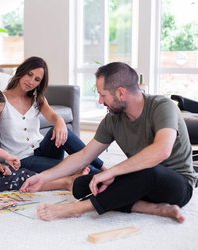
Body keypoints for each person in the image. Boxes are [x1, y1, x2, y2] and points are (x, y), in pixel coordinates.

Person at [20, 62, 197, 223]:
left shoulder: (162, 106)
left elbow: (161, 151)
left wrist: (111, 172)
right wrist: (43, 177)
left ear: (121, 92)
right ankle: (154, 208)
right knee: (83, 185)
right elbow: (83, 155)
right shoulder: (112, 119)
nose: (100, 101)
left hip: (176, 185)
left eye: (102, 94)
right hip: (139, 183)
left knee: (149, 172)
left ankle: (76, 208)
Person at [0, 86, 74, 192]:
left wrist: (0, 166)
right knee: (18, 178)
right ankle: (64, 182)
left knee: (23, 173)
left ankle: (67, 178)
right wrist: (7, 155)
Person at [0, 56, 104, 173]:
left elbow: (53, 116)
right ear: (21, 71)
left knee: (61, 129)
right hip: (22, 160)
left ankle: (103, 168)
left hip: (43, 150)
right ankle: (106, 176)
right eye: (29, 74)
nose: (31, 81)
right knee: (74, 166)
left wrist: (60, 121)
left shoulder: (37, 99)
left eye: (37, 79)